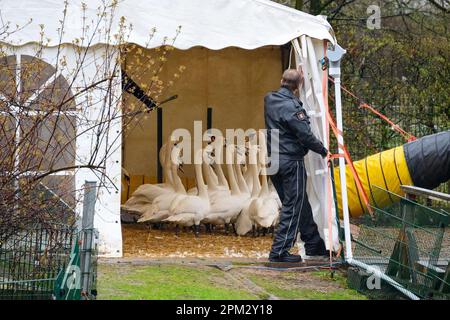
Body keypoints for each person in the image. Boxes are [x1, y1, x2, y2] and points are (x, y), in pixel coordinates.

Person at [265, 68, 329, 263]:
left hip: (273, 161)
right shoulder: (293, 108)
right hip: (290, 161)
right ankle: (279, 251)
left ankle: (313, 244)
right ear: (299, 86)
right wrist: (323, 150)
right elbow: (305, 135)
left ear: (281, 80)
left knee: (298, 202)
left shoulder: (269, 99)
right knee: (293, 205)